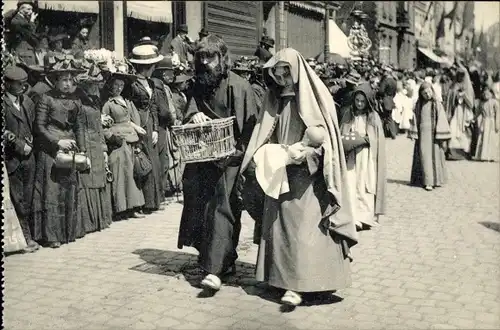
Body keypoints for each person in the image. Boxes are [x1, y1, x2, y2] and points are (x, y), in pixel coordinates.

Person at [239, 48, 357, 306]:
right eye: (277, 73)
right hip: (281, 171)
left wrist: (308, 155)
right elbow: (265, 133)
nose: (282, 78)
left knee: (305, 229)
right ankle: (280, 279)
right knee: (280, 227)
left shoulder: (316, 99)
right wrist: (269, 154)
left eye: (286, 72)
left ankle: (302, 284)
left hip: (308, 177)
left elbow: (328, 142)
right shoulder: (274, 100)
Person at [177, 34, 258, 291]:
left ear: (222, 58)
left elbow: (250, 126)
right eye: (201, 57)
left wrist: (242, 155)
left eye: (210, 57)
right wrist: (195, 115)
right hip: (202, 156)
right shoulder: (199, 83)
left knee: (223, 209)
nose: (205, 62)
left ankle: (214, 270)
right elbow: (189, 108)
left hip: (230, 158)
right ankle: (221, 259)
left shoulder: (239, 86)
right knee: (201, 208)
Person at [31, 57, 88, 248]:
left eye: (71, 80)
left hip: (70, 149)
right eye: (64, 79)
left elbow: (79, 127)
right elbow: (39, 127)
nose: (67, 83)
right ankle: (52, 236)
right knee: (52, 191)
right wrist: (57, 142)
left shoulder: (76, 100)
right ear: (55, 80)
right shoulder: (45, 98)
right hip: (50, 151)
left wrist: (83, 150)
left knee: (69, 189)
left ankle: (70, 231)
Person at [339, 83, 386, 231]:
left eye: (362, 101)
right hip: (351, 156)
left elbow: (377, 139)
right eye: (357, 100)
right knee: (351, 183)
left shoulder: (373, 117)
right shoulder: (348, 114)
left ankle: (365, 216)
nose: (359, 104)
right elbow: (342, 132)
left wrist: (365, 140)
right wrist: (349, 140)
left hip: (366, 156)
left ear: (368, 102)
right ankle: (353, 217)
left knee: (365, 184)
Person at [124, 44, 165, 214]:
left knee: (153, 162)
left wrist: (155, 128)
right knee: (141, 161)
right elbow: (127, 106)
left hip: (149, 124)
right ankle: (143, 203)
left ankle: (153, 201)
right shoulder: (132, 84)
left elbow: (154, 106)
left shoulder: (151, 83)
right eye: (152, 66)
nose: (154, 69)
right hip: (138, 123)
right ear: (146, 67)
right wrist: (133, 125)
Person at [3, 65, 39, 252]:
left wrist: (31, 142)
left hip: (29, 157)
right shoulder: (4, 103)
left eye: (25, 84)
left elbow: (32, 125)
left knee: (28, 197)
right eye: (19, 84)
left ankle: (28, 236)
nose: (23, 87)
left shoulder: (27, 102)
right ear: (7, 85)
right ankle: (25, 240)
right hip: (13, 160)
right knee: (18, 200)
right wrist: (17, 144)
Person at [102, 67, 146, 220]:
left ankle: (134, 206)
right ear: (110, 86)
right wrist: (112, 137)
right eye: (115, 86)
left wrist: (136, 129)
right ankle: (122, 209)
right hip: (119, 142)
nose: (118, 88)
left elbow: (131, 120)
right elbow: (104, 125)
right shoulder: (108, 104)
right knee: (121, 175)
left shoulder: (126, 101)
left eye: (121, 86)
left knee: (132, 174)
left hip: (131, 140)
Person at [75, 68, 113, 234]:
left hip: (97, 143)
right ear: (85, 85)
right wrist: (82, 151)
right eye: (92, 85)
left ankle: (101, 219)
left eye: (97, 85)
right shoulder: (80, 102)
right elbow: (80, 128)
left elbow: (98, 126)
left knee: (98, 179)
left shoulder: (95, 100)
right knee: (88, 180)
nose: (96, 88)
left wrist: (104, 148)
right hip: (87, 144)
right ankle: (89, 222)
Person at [408, 82, 452, 191]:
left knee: (435, 156)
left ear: (432, 91)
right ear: (421, 94)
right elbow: (415, 119)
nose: (427, 95)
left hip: (434, 135)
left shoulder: (437, 104)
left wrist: (440, 133)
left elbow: (441, 118)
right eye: (424, 93)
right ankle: (427, 181)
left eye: (429, 92)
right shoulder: (419, 105)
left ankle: (435, 180)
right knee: (424, 157)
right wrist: (414, 132)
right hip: (423, 135)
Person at [152, 55, 183, 198]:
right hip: (163, 126)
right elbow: (164, 110)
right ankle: (162, 191)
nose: (172, 75)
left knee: (169, 157)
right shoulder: (159, 87)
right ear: (164, 73)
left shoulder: (164, 87)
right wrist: (172, 120)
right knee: (164, 159)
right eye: (170, 72)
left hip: (168, 126)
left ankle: (166, 189)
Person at [445, 65, 475, 160]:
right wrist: (455, 94)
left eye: (462, 75)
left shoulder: (469, 88)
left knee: (464, 133)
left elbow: (471, 104)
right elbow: (449, 97)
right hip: (455, 111)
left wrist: (464, 95)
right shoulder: (453, 86)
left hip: (464, 113)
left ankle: (463, 153)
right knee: (453, 129)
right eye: (459, 75)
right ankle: (453, 153)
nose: (460, 77)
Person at [8, 0, 39, 65]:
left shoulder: (23, 20)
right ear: (21, 9)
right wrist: (32, 22)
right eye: (28, 9)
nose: (31, 12)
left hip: (27, 53)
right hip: (23, 55)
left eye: (31, 9)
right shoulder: (16, 21)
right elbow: (30, 35)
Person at [473, 87, 499, 162]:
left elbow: (498, 114)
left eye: (488, 93)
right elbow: (478, 112)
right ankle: (483, 155)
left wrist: (497, 123)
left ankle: (491, 156)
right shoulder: (481, 103)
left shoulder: (494, 102)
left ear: (491, 93)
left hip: (491, 122)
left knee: (491, 138)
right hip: (484, 121)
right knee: (483, 137)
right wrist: (473, 118)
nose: (486, 95)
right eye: (484, 93)